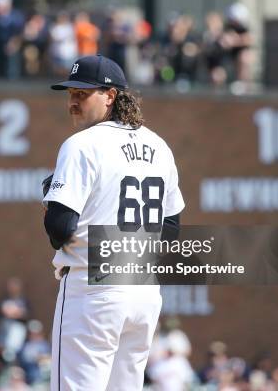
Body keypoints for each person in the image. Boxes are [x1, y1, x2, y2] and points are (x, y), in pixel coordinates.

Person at [42, 54, 184, 390]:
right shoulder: (158, 146)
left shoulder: (81, 146)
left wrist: (49, 208)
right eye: (70, 93)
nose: (73, 101)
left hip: (93, 291)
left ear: (110, 96)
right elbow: (172, 226)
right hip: (143, 291)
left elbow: (59, 230)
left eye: (83, 93)